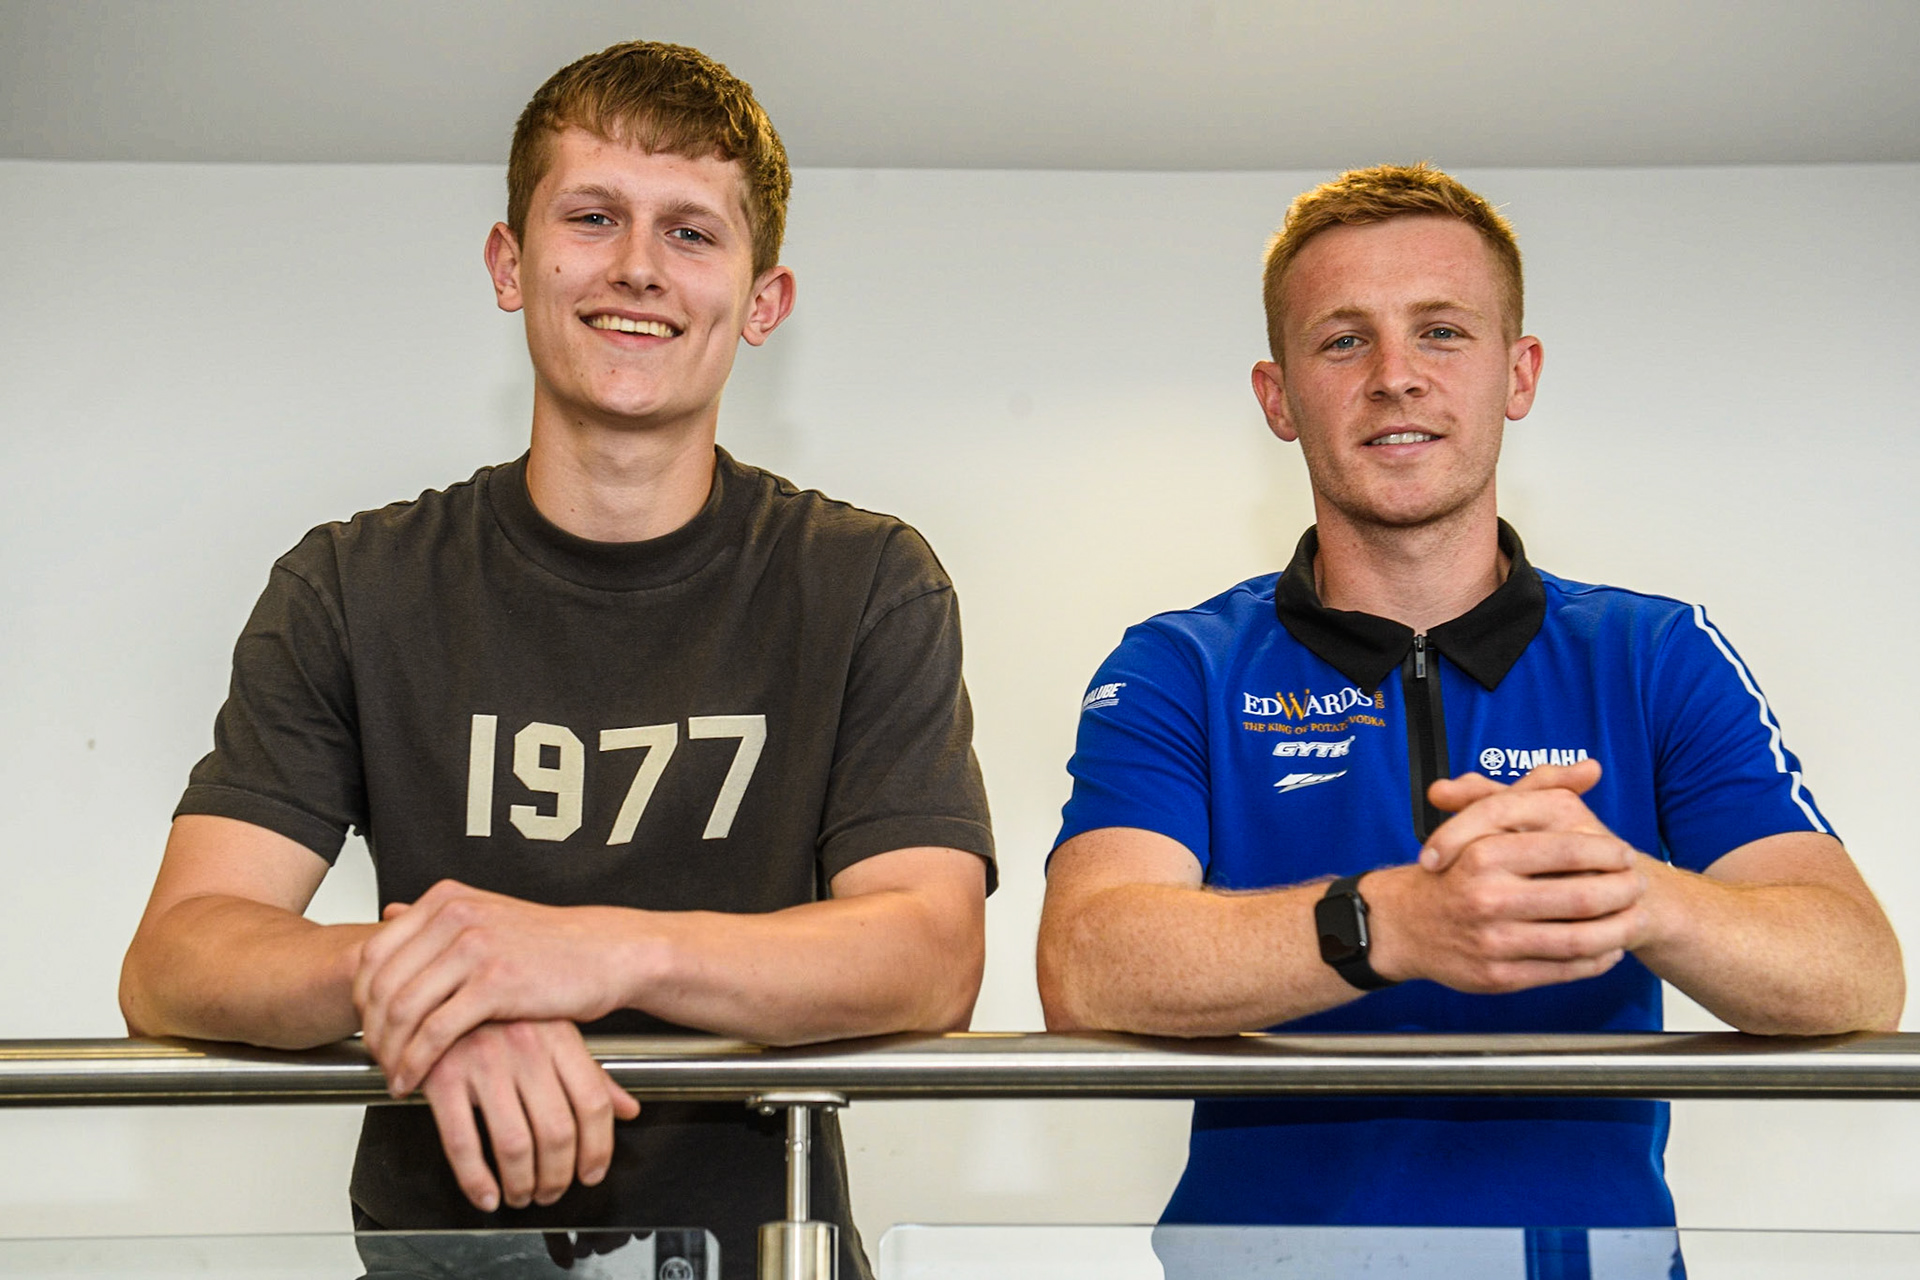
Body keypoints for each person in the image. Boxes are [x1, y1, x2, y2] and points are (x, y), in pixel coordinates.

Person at [118, 41, 994, 1278]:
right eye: (592, 216)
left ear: (763, 300)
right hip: (450, 1249)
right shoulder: (354, 582)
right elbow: (177, 956)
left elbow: (929, 951)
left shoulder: (862, 578)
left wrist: (598, 948)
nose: (637, 265)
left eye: (692, 233)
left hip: (759, 1248)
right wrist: (431, 983)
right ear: (508, 261)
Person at [1035, 162, 1902, 1234]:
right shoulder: (1182, 664)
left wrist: (1627, 892)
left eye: (1442, 331)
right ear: (1278, 395)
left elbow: (1856, 971)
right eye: (1344, 339)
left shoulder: (1653, 651)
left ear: (1518, 373)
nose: (1396, 375)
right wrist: (1389, 923)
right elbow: (1087, 965)